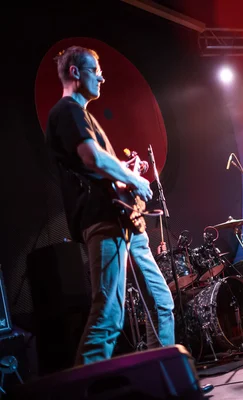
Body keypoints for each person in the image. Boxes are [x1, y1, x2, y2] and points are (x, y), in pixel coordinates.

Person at [45, 46, 175, 365]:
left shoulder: (84, 116)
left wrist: (127, 171)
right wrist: (137, 181)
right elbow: (92, 158)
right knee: (108, 316)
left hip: (127, 221)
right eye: (95, 70)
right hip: (104, 220)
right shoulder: (68, 111)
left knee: (161, 302)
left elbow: (101, 171)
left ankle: (167, 382)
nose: (102, 77)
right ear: (76, 72)